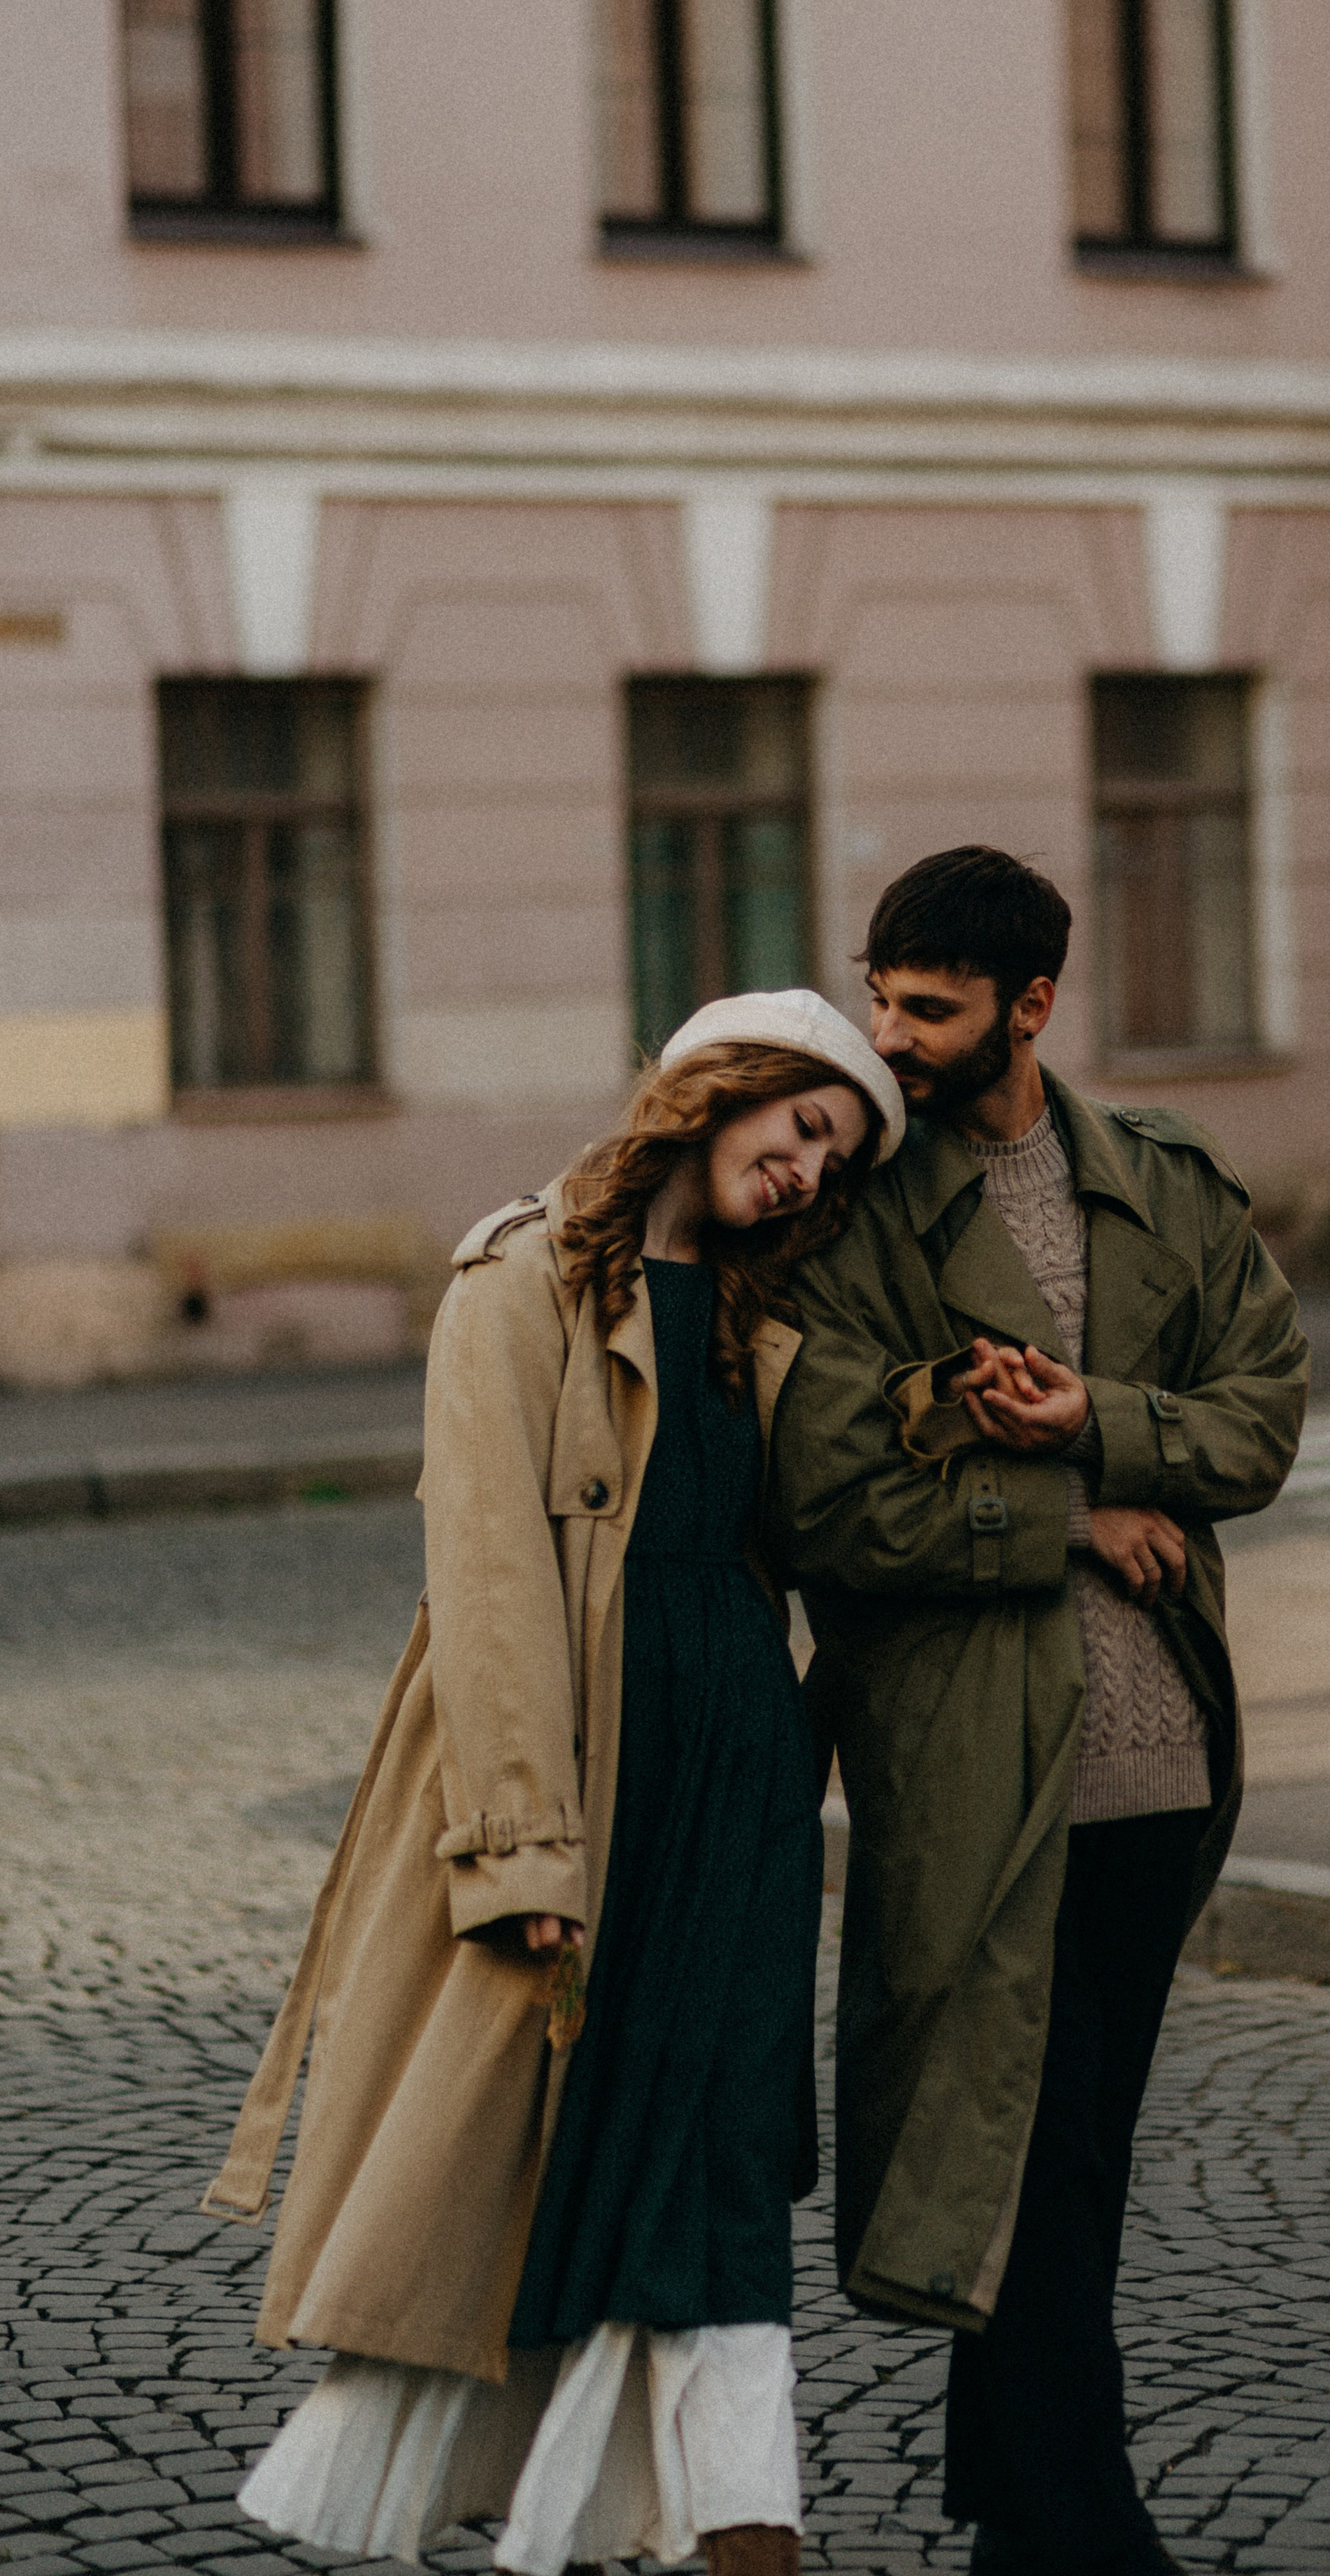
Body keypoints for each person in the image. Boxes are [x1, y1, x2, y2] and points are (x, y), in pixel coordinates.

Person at [201, 989, 904, 2576]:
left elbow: (836, 1515)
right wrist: (521, 1855)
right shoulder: (519, 1277)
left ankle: (742, 2531)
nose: (807, 1173)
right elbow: (492, 1584)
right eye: (799, 1129)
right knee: (563, 2158)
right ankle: (620, 2521)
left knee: (724, 2147)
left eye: (834, 1161)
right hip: (590, 1783)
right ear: (717, 1091)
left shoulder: (759, 1305)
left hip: (739, 1783)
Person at [767, 850, 1308, 2576]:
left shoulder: (1161, 1185)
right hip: (973, 1775)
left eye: (924, 1008)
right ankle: (1088, 2526)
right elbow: (831, 1506)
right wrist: (1067, 1515)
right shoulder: (848, 1213)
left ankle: (1023, 2517)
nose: (887, 1037)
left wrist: (1094, 1417)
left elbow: (1260, 1424)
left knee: (1073, 2156)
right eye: (881, 997)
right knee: (1030, 2157)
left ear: (1029, 1005)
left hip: (1159, 1772)